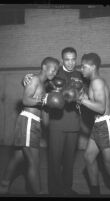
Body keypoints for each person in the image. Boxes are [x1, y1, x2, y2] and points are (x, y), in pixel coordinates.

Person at [0, 57, 60, 195]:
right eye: (53, 69)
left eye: (56, 71)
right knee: (34, 162)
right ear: (44, 66)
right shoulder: (35, 79)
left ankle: (4, 184)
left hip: (34, 123)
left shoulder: (44, 85)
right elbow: (26, 99)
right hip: (28, 121)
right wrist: (45, 100)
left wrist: (49, 126)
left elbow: (43, 110)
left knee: (18, 156)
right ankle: (39, 193)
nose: (54, 73)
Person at [77, 53, 110, 196]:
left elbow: (101, 108)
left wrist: (82, 100)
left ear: (93, 67)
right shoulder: (93, 82)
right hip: (98, 125)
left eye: (84, 66)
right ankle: (95, 193)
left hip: (106, 125)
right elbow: (94, 104)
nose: (81, 69)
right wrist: (83, 98)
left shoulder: (97, 82)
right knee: (88, 157)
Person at [47, 47, 83, 196]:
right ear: (62, 60)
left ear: (76, 59)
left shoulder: (80, 75)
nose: (70, 62)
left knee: (69, 161)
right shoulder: (56, 72)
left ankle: (67, 189)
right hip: (57, 123)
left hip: (74, 123)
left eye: (73, 59)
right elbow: (41, 78)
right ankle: (55, 190)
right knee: (55, 160)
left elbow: (86, 92)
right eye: (67, 59)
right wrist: (27, 78)